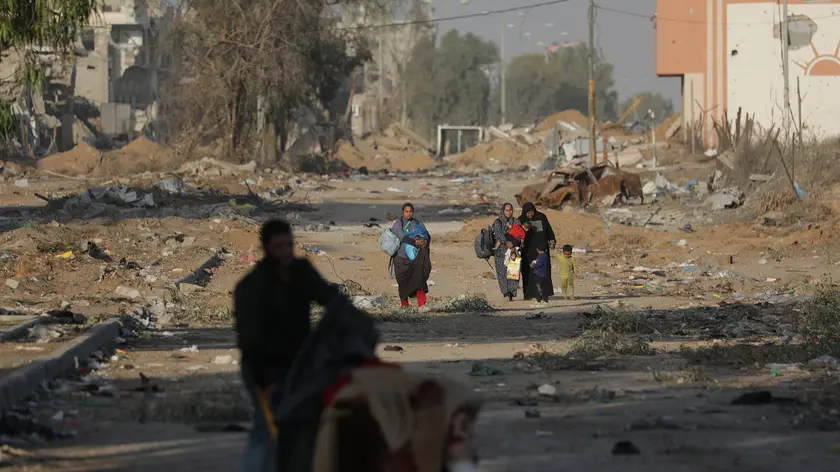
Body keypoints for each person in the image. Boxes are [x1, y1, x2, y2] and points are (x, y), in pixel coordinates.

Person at [233, 219, 344, 472]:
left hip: (295, 366)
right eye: (279, 246)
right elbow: (249, 342)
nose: (285, 251)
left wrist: (348, 316)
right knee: (267, 430)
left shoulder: (301, 272)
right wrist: (265, 381)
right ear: (266, 247)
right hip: (263, 370)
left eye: (289, 245)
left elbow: (326, 296)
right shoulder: (251, 287)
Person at [390, 202, 432, 312]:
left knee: (419, 280)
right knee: (403, 282)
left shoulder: (417, 223)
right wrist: (415, 242)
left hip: (415, 259)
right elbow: (401, 236)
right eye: (406, 211)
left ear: (413, 212)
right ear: (403, 212)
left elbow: (426, 235)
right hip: (401, 258)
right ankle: (404, 305)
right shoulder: (398, 223)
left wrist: (425, 242)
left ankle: (422, 305)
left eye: (410, 211)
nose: (408, 214)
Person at [519, 202, 556, 301]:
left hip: (542, 249)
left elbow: (549, 231)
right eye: (528, 213)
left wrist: (552, 242)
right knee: (528, 271)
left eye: (531, 212)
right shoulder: (521, 220)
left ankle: (545, 294)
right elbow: (517, 234)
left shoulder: (542, 217)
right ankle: (530, 294)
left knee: (544, 271)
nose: (530, 215)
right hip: (528, 250)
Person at [491, 203, 521, 301]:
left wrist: (514, 242)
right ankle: (506, 292)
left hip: (513, 250)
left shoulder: (516, 221)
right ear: (503, 211)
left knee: (513, 271)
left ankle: (512, 292)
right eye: (507, 210)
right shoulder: (498, 222)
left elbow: (520, 233)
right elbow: (498, 234)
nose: (509, 212)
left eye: (510, 210)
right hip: (501, 251)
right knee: (502, 273)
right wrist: (507, 241)